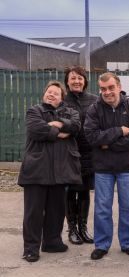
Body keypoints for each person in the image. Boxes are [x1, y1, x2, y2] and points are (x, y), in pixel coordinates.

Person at [18, 80, 82, 262]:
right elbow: (35, 129)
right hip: (37, 169)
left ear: (62, 97)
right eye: (49, 91)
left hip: (61, 169)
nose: (51, 94)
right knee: (33, 212)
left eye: (55, 92)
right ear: (44, 95)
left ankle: (52, 242)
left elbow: (76, 127)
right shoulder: (34, 111)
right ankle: (31, 248)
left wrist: (56, 123)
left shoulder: (71, 112)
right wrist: (60, 131)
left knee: (57, 209)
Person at [84, 72, 129, 260]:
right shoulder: (94, 109)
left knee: (128, 207)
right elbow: (92, 137)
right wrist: (118, 131)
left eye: (111, 87)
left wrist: (108, 144)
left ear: (118, 86)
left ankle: (128, 243)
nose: (107, 92)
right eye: (103, 89)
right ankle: (102, 245)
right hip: (103, 168)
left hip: (127, 167)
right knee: (102, 207)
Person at [63, 66, 98, 245]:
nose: (77, 81)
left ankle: (83, 228)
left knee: (84, 191)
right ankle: (72, 229)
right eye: (73, 78)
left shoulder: (94, 99)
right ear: (67, 81)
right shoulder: (62, 100)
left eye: (80, 78)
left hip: (88, 153)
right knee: (69, 191)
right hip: (67, 153)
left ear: (85, 81)